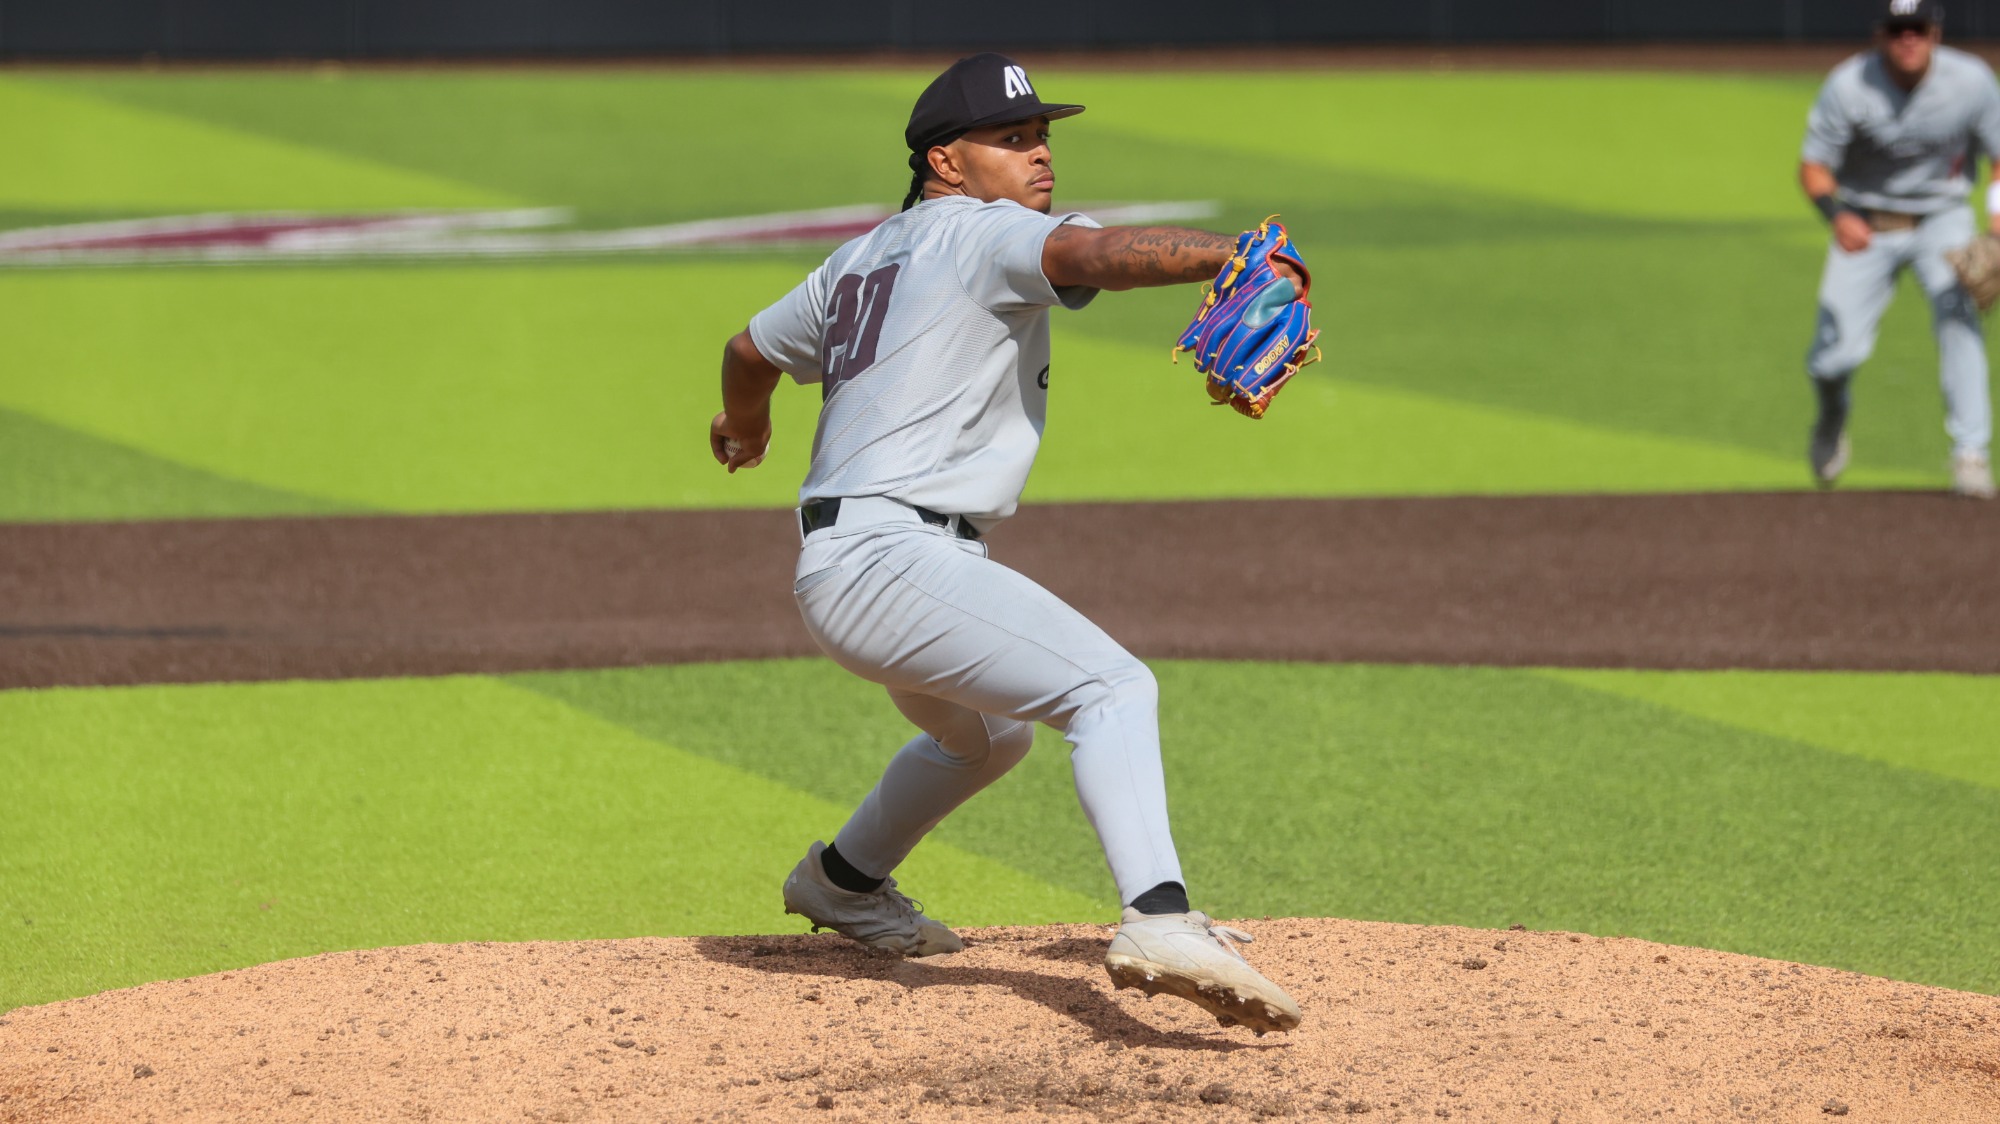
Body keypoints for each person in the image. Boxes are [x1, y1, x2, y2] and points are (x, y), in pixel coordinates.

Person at [707, 53, 1304, 1035]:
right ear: (945, 159)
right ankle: (1156, 916)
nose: (1040, 156)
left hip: (852, 564)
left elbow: (747, 352)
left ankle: (843, 879)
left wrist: (745, 428)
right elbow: (1094, 254)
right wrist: (1231, 254)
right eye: (1013, 139)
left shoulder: (857, 258)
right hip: (893, 562)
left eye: (1042, 137)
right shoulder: (985, 234)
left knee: (987, 734)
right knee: (1112, 688)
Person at [1800, 0, 2000, 499]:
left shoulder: (1971, 81)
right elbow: (1813, 168)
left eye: (1917, 28)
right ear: (1880, 35)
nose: (1907, 38)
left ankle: (1971, 454)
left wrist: (1996, 230)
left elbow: (1999, 160)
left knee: (1959, 320)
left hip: (1943, 219)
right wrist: (1837, 215)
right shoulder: (1849, 86)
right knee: (1832, 357)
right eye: (1897, 29)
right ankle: (1831, 415)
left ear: (1934, 32)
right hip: (1867, 222)